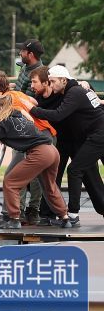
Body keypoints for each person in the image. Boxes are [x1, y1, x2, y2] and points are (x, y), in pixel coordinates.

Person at [0, 94, 70, 230]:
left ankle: (14, 219)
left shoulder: (2, 124)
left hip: (39, 153)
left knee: (11, 182)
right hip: (52, 150)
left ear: (0, 108)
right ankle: (65, 217)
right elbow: (29, 120)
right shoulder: (19, 115)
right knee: (49, 186)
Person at [29, 65, 104, 227]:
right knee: (71, 171)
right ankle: (62, 213)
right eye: (49, 81)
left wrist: (32, 110)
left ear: (64, 80)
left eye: (53, 81)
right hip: (85, 137)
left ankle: (73, 214)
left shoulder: (74, 91)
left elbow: (58, 115)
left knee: (76, 170)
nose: (51, 84)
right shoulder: (69, 90)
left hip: (96, 136)